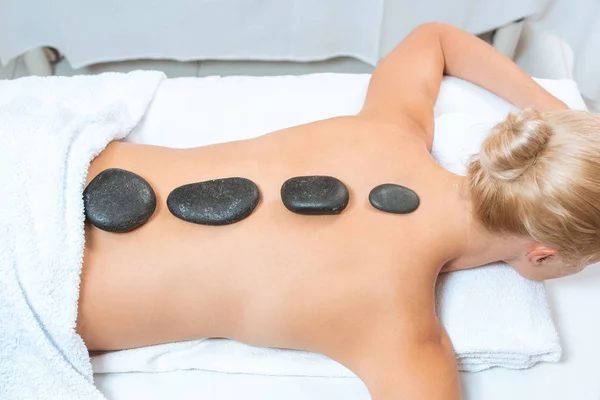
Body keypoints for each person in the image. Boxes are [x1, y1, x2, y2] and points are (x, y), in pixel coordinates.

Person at [76, 23, 600, 399]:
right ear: (541, 254)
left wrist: (561, 121)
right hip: (34, 280)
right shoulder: (401, 337)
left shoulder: (389, 130)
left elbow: (435, 37)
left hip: (49, 166)